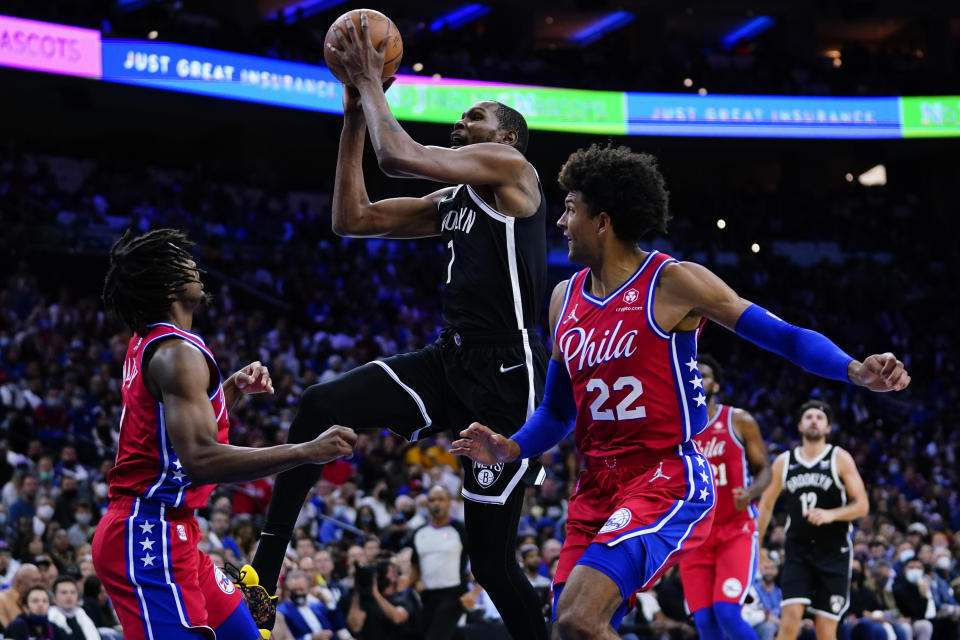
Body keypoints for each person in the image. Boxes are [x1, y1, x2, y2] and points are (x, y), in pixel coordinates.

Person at [451, 144, 909, 640]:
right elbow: (559, 411)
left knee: (579, 619)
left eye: (569, 209)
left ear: (602, 221)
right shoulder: (564, 299)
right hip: (595, 485)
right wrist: (513, 446)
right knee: (568, 631)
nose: (560, 222)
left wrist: (854, 369)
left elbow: (783, 335)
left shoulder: (672, 281)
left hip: (663, 475)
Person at [252, 11, 551, 640]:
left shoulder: (513, 175)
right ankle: (263, 575)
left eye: (475, 117)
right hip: (450, 358)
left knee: (491, 565)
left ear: (507, 141)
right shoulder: (453, 203)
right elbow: (351, 218)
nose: (461, 123)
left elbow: (399, 155)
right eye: (461, 118)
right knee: (317, 404)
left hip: (506, 376)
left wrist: (368, 82)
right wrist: (354, 117)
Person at [91, 229, 359, 640]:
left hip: (175, 532)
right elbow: (200, 461)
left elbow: (169, 438)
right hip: (146, 537)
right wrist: (306, 450)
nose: (194, 266)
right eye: (182, 262)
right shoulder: (176, 355)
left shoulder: (153, 342)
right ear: (167, 285)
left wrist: (227, 390)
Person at [756, 401, 871, 640]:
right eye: (808, 416)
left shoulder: (839, 458)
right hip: (798, 548)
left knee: (826, 629)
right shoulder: (785, 461)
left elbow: (862, 505)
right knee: (789, 620)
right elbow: (766, 504)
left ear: (828, 428)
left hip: (834, 550)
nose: (814, 421)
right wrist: (756, 545)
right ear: (800, 425)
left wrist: (832, 514)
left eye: (819, 418)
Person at [677, 354, 771, 640]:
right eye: (691, 374)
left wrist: (752, 492)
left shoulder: (738, 420)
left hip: (736, 530)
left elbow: (765, 468)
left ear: (715, 386)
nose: (695, 379)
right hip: (695, 536)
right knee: (705, 622)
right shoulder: (676, 427)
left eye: (703, 375)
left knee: (727, 612)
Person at [410, 485, 469, 640]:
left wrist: (475, 593)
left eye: (441, 499)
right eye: (432, 500)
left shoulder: (461, 529)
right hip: (427, 596)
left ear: (449, 502)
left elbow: (482, 563)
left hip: (454, 594)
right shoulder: (419, 532)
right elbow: (414, 565)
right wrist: (414, 581)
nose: (436, 503)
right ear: (426, 504)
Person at [4, 584, 69, 640]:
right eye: (35, 601)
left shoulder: (54, 628)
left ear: (49, 606)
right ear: (25, 608)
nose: (40, 605)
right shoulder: (17, 626)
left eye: (45, 601)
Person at [0, 563, 43, 628]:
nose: (39, 585)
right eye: (35, 581)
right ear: (19, 582)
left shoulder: (38, 601)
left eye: (40, 581)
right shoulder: (2, 600)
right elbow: (7, 631)